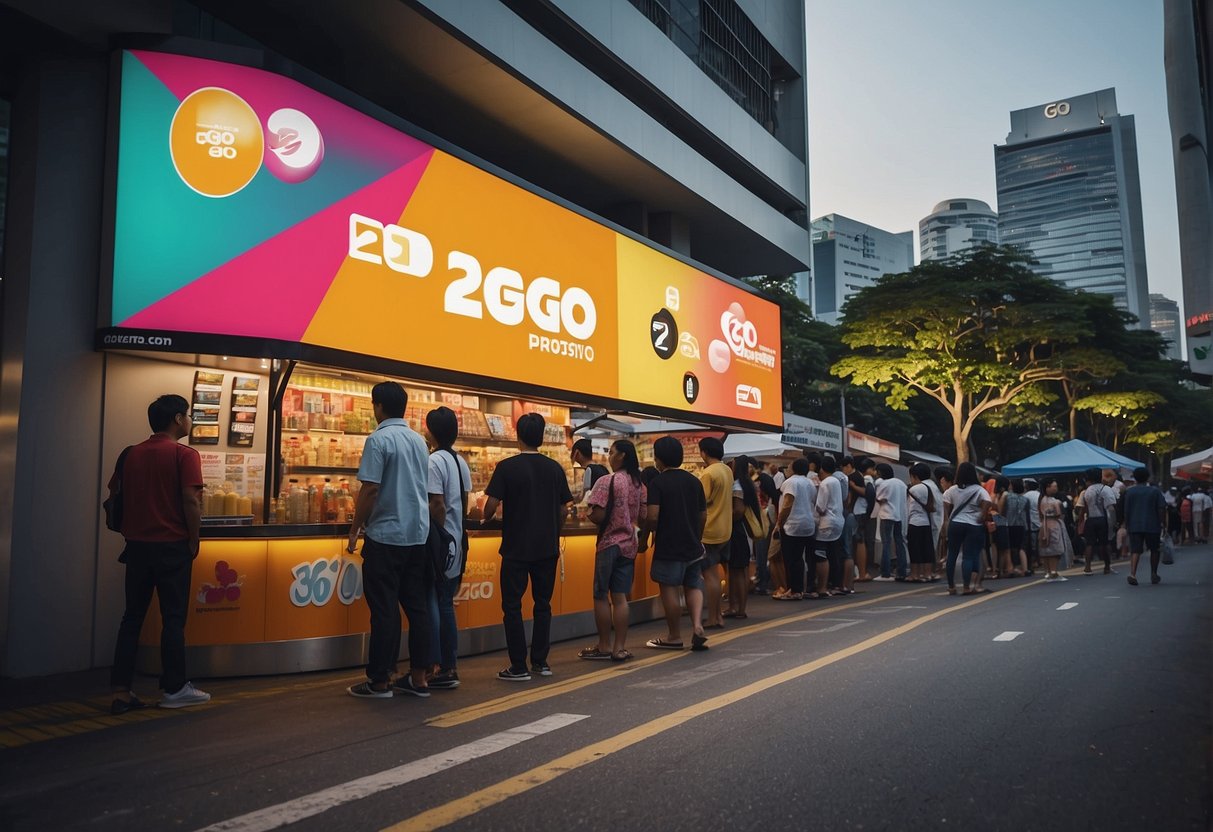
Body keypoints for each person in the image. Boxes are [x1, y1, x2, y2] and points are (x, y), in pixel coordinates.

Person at [107, 394, 209, 713]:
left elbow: (114, 495)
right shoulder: (184, 454)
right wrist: (194, 540)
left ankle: (121, 690)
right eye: (188, 416)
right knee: (173, 619)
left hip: (136, 548)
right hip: (172, 547)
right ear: (178, 419)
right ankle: (175, 689)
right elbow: (191, 501)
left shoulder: (130, 454)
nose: (190, 421)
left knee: (132, 617)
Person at [347, 381, 433, 699]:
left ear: (378, 407)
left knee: (384, 610)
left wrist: (355, 528)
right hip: (417, 535)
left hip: (386, 535)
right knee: (417, 606)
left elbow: (369, 489)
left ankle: (380, 681)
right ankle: (420, 677)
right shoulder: (418, 441)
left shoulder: (379, 439)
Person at [482, 413, 573, 681]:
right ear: (542, 437)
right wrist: (553, 528)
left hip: (516, 547)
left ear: (517, 436)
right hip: (547, 548)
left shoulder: (507, 467)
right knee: (542, 604)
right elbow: (564, 509)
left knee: (512, 606)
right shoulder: (555, 468)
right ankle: (541, 662)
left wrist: (485, 516)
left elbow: (489, 506)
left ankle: (518, 666)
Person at [641, 436, 709, 651]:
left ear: (659, 459)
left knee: (669, 589)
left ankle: (674, 636)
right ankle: (697, 625)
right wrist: (697, 536)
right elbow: (703, 515)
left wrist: (645, 537)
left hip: (669, 545)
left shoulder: (657, 483)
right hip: (693, 545)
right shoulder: (694, 481)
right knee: (693, 585)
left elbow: (652, 516)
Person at [580, 439, 646, 661]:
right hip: (629, 545)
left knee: (600, 595)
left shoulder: (606, 481)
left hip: (608, 543)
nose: (609, 456)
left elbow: (596, 514)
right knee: (620, 598)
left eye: (612, 452)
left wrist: (588, 514)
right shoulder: (639, 485)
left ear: (622, 456)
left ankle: (604, 644)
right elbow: (644, 516)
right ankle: (620, 648)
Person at [424, 406, 472, 690]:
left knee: (437, 602)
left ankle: (442, 665)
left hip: (442, 543)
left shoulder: (434, 462)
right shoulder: (459, 462)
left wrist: (437, 532)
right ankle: (448, 664)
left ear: (432, 431)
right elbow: (462, 503)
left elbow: (437, 503)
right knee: (446, 602)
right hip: (458, 539)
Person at [941, 461, 993, 596]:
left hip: (955, 524)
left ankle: (951, 587)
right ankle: (966, 587)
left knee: (951, 555)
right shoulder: (979, 489)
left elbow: (946, 509)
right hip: (973, 525)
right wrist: (982, 514)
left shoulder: (951, 490)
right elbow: (988, 501)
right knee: (968, 556)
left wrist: (946, 523)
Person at [698, 437, 734, 629]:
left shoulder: (708, 474)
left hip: (709, 529)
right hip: (725, 529)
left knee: (710, 575)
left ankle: (714, 617)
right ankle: (717, 614)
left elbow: (701, 501)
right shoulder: (727, 470)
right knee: (716, 573)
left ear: (704, 452)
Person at [775, 457, 817, 600]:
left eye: (789, 466)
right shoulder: (809, 482)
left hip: (793, 524)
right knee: (799, 558)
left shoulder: (791, 482)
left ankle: (794, 590)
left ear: (794, 468)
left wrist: (779, 523)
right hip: (808, 523)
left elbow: (787, 504)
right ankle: (798, 588)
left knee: (790, 558)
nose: (787, 468)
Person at [725, 455, 761, 617]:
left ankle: (738, 609)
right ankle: (737, 607)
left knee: (737, 570)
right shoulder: (748, 484)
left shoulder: (737, 485)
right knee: (739, 570)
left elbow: (738, 510)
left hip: (737, 531)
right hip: (743, 531)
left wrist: (724, 519)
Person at [1122, 467, 1166, 586]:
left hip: (1134, 525)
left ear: (1134, 478)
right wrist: (1163, 523)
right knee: (1154, 549)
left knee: (1135, 550)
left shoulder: (1130, 492)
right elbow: (1161, 508)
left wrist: (1126, 524)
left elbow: (1126, 511)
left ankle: (1133, 574)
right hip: (1152, 524)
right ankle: (1153, 573)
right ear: (1147, 477)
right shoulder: (1154, 491)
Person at [813, 454, 847, 597]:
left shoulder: (826, 483)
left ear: (821, 468)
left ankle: (822, 587)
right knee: (834, 555)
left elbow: (820, 507)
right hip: (838, 521)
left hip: (827, 522)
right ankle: (837, 585)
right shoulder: (835, 481)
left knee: (821, 555)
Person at [1076, 467, 1118, 575]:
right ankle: (1107, 567)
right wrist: (1114, 522)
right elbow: (1111, 508)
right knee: (1105, 543)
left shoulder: (1086, 491)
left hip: (1090, 519)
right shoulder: (1105, 489)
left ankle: (1088, 567)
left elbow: (1083, 508)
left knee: (1090, 543)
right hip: (1102, 519)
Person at [873, 463, 909, 581]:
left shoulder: (884, 484)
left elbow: (879, 498)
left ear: (881, 473)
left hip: (887, 515)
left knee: (886, 543)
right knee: (899, 542)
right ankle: (902, 571)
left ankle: (885, 572)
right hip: (899, 515)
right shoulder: (901, 483)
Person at [906, 463, 936, 583]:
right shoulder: (928, 488)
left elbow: (907, 507)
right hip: (926, 523)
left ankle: (915, 574)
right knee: (926, 548)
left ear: (915, 476)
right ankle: (927, 574)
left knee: (914, 549)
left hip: (914, 522)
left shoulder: (912, 489)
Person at [1037, 477, 1070, 581]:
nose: (1056, 488)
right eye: (1054, 486)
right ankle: (1054, 572)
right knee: (1055, 550)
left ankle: (1048, 572)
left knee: (1046, 550)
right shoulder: (1052, 501)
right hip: (1053, 526)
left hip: (1044, 525)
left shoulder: (1042, 499)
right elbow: (1058, 513)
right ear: (1047, 487)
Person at [1003, 480, 1030, 577]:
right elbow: (1027, 515)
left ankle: (1010, 570)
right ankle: (1025, 569)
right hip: (1022, 525)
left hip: (1009, 524)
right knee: (1021, 548)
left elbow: (1003, 511)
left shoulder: (1007, 497)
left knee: (1009, 548)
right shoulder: (1025, 499)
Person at [1022, 478, 1041, 574]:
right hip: (1040, 522)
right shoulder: (1039, 495)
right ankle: (1040, 560)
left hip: (1031, 523)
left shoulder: (1025, 496)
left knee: (1032, 545)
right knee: (1040, 543)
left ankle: (1034, 562)